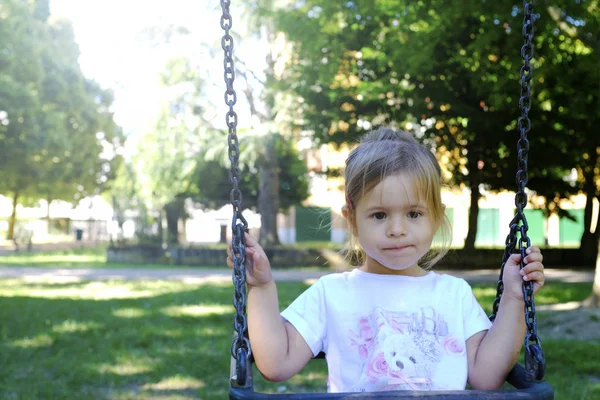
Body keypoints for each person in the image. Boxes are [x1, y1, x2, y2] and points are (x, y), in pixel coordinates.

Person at [226, 127, 545, 393]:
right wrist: (261, 287)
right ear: (352, 219)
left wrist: (515, 300)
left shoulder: (454, 294)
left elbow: (485, 377)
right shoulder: (332, 294)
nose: (397, 230)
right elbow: (275, 362)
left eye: (413, 214)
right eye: (379, 215)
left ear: (436, 218)